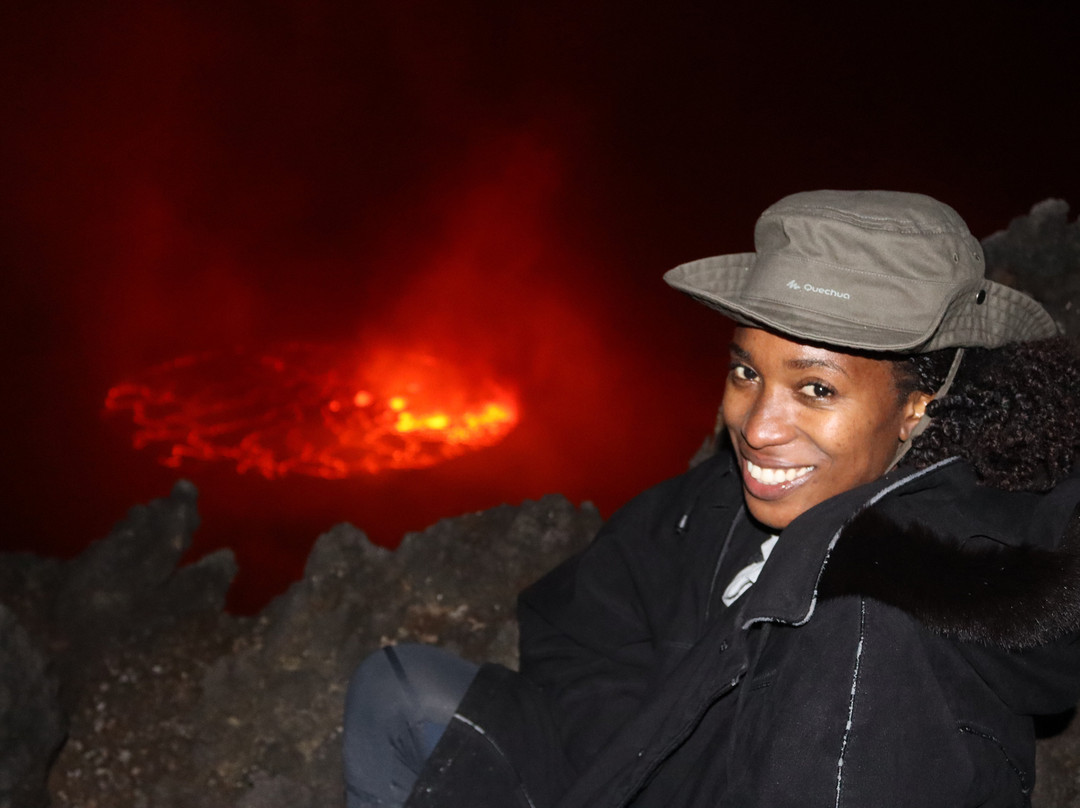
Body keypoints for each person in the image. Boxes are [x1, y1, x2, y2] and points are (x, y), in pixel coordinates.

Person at [343, 190, 1080, 807]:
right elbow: (577, 619)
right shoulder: (725, 497)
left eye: (815, 388)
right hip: (646, 778)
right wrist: (644, 751)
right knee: (402, 691)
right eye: (745, 373)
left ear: (919, 406)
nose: (759, 427)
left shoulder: (881, 614)